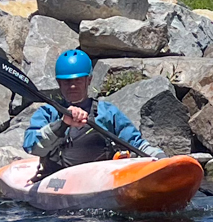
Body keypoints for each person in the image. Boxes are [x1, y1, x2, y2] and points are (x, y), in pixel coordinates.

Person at [23, 49, 163, 175]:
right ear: (59, 83)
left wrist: (161, 159)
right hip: (59, 176)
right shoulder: (48, 113)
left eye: (77, 80)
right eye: (66, 82)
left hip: (102, 177)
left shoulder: (106, 112)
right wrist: (62, 124)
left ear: (88, 80)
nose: (72, 86)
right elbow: (32, 147)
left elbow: (136, 143)